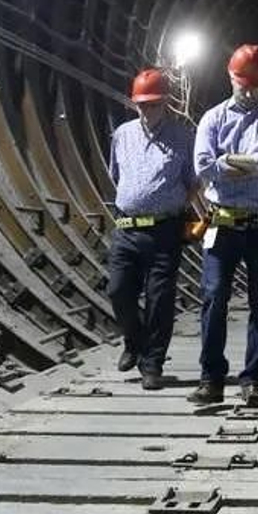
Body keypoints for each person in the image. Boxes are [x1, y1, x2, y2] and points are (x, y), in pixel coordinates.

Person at [190, 44, 258, 405]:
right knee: (214, 296)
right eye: (243, 84)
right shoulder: (213, 119)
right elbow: (203, 165)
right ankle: (211, 378)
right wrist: (248, 163)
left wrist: (227, 162)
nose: (249, 92)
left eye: (256, 85)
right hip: (223, 223)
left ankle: (253, 378)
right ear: (231, 79)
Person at [105, 69, 203, 390]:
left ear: (166, 103)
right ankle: (133, 342)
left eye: (153, 104)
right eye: (141, 105)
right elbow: (116, 175)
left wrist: (170, 203)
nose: (146, 111)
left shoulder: (184, 138)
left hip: (164, 231)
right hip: (127, 228)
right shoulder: (122, 134)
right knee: (118, 290)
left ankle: (153, 364)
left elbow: (193, 183)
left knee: (160, 299)